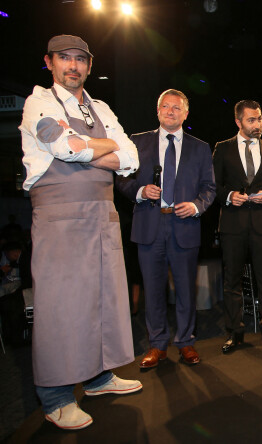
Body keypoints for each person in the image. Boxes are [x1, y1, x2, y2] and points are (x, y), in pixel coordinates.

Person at [19, 35, 142, 430]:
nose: (73, 66)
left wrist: (92, 149)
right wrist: (104, 151)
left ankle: (98, 377)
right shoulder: (39, 102)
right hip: (59, 217)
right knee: (60, 307)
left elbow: (132, 157)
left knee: (101, 300)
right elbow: (64, 146)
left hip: (102, 216)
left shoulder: (100, 107)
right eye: (64, 59)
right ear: (50, 62)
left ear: (89, 65)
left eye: (80, 60)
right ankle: (55, 397)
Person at [116, 89, 216, 368]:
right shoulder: (137, 142)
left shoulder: (200, 147)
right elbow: (122, 180)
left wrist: (196, 206)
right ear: (157, 111)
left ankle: (186, 342)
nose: (170, 111)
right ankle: (157, 344)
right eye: (165, 107)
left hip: (184, 224)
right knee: (153, 288)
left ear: (186, 113)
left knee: (185, 289)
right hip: (149, 224)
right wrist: (139, 191)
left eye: (176, 108)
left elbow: (209, 188)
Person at [213, 100, 262, 353]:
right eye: (252, 120)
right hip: (233, 224)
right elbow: (213, 186)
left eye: (260, 119)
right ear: (238, 122)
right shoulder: (222, 149)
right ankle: (234, 332)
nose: (258, 125)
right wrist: (229, 195)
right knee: (232, 279)